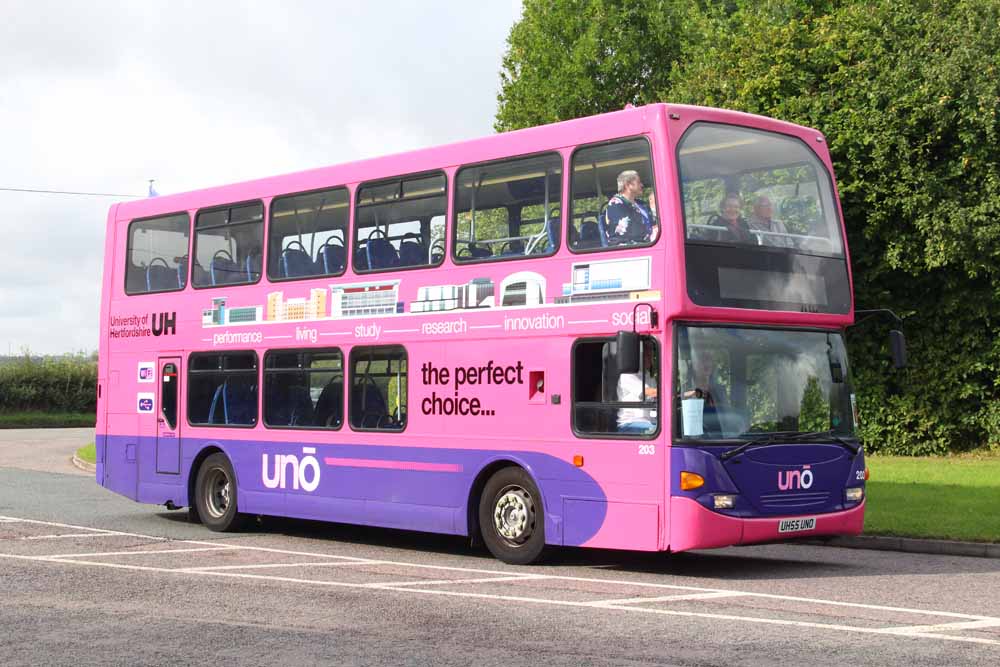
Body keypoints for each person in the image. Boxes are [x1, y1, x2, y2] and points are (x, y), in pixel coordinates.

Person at [605, 170, 658, 245]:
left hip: (649, 244)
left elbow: (653, 222)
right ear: (628, 185)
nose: (642, 185)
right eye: (639, 182)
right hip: (630, 249)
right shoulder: (615, 204)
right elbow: (626, 232)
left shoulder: (641, 204)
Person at [617, 343, 658, 434]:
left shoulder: (649, 377)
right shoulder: (627, 375)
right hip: (630, 423)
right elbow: (650, 392)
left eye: (651, 355)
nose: (650, 359)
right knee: (661, 432)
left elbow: (657, 395)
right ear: (638, 356)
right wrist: (672, 391)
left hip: (648, 422)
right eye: (647, 355)